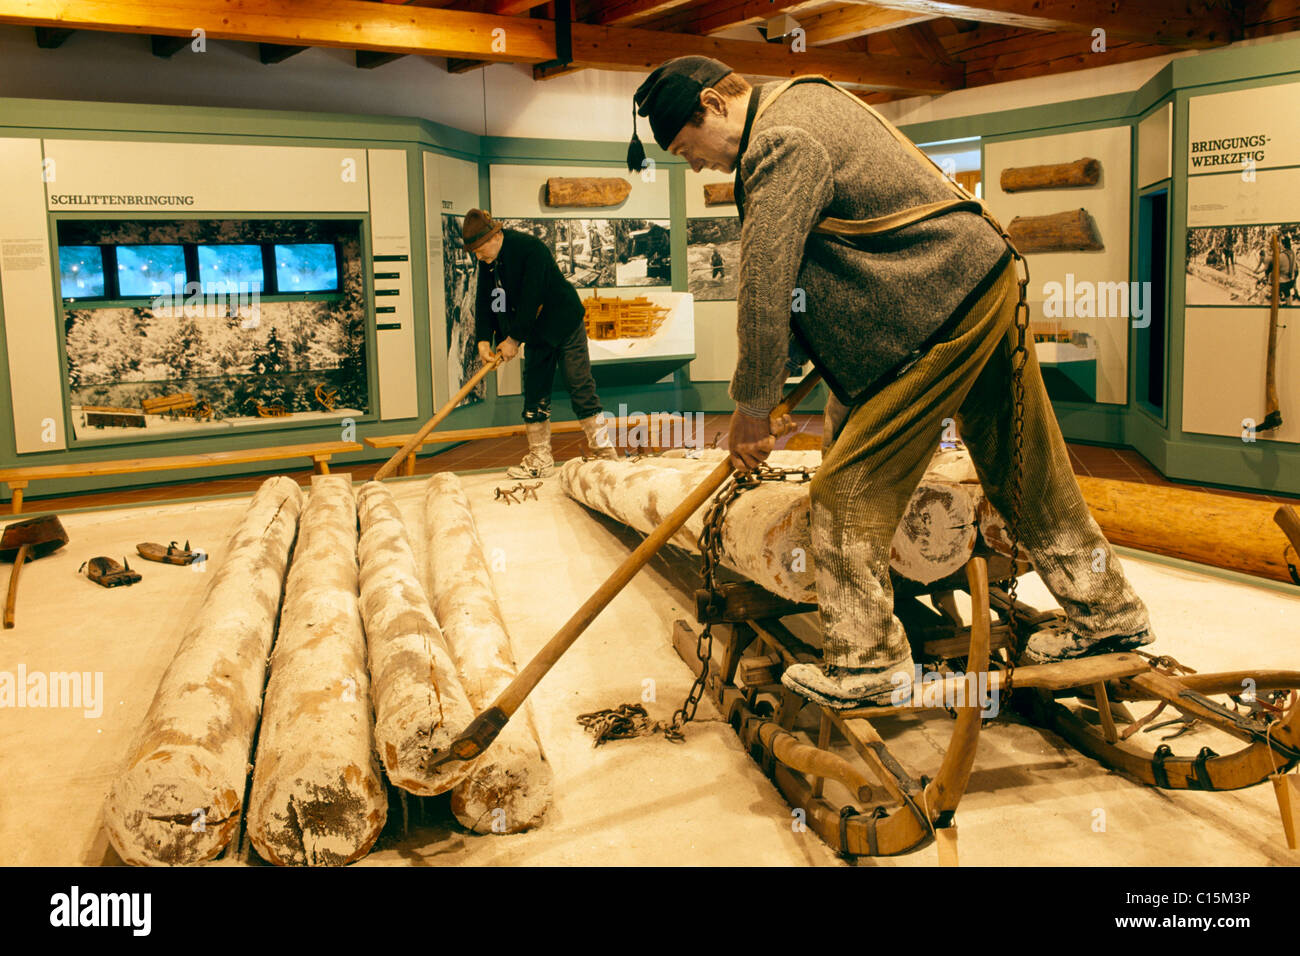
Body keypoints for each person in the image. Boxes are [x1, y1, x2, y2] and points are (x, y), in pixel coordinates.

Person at [629, 56, 1154, 709]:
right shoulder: (803, 97)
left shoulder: (778, 141)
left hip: (934, 305)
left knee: (847, 489)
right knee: (1025, 470)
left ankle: (868, 662)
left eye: (688, 148)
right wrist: (787, 372)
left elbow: (764, 285)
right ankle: (1108, 614)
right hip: (978, 281)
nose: (697, 165)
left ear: (711, 103)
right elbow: (814, 270)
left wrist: (752, 407)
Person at [463, 208, 619, 478]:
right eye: (474, 251)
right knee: (535, 392)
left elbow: (530, 299)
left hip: (563, 323)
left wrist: (513, 340)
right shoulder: (488, 261)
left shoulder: (530, 249)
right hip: (534, 331)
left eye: (480, 249)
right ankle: (540, 458)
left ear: (496, 235)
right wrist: (483, 340)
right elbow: (490, 299)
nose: (478, 256)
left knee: (578, 384)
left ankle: (605, 454)